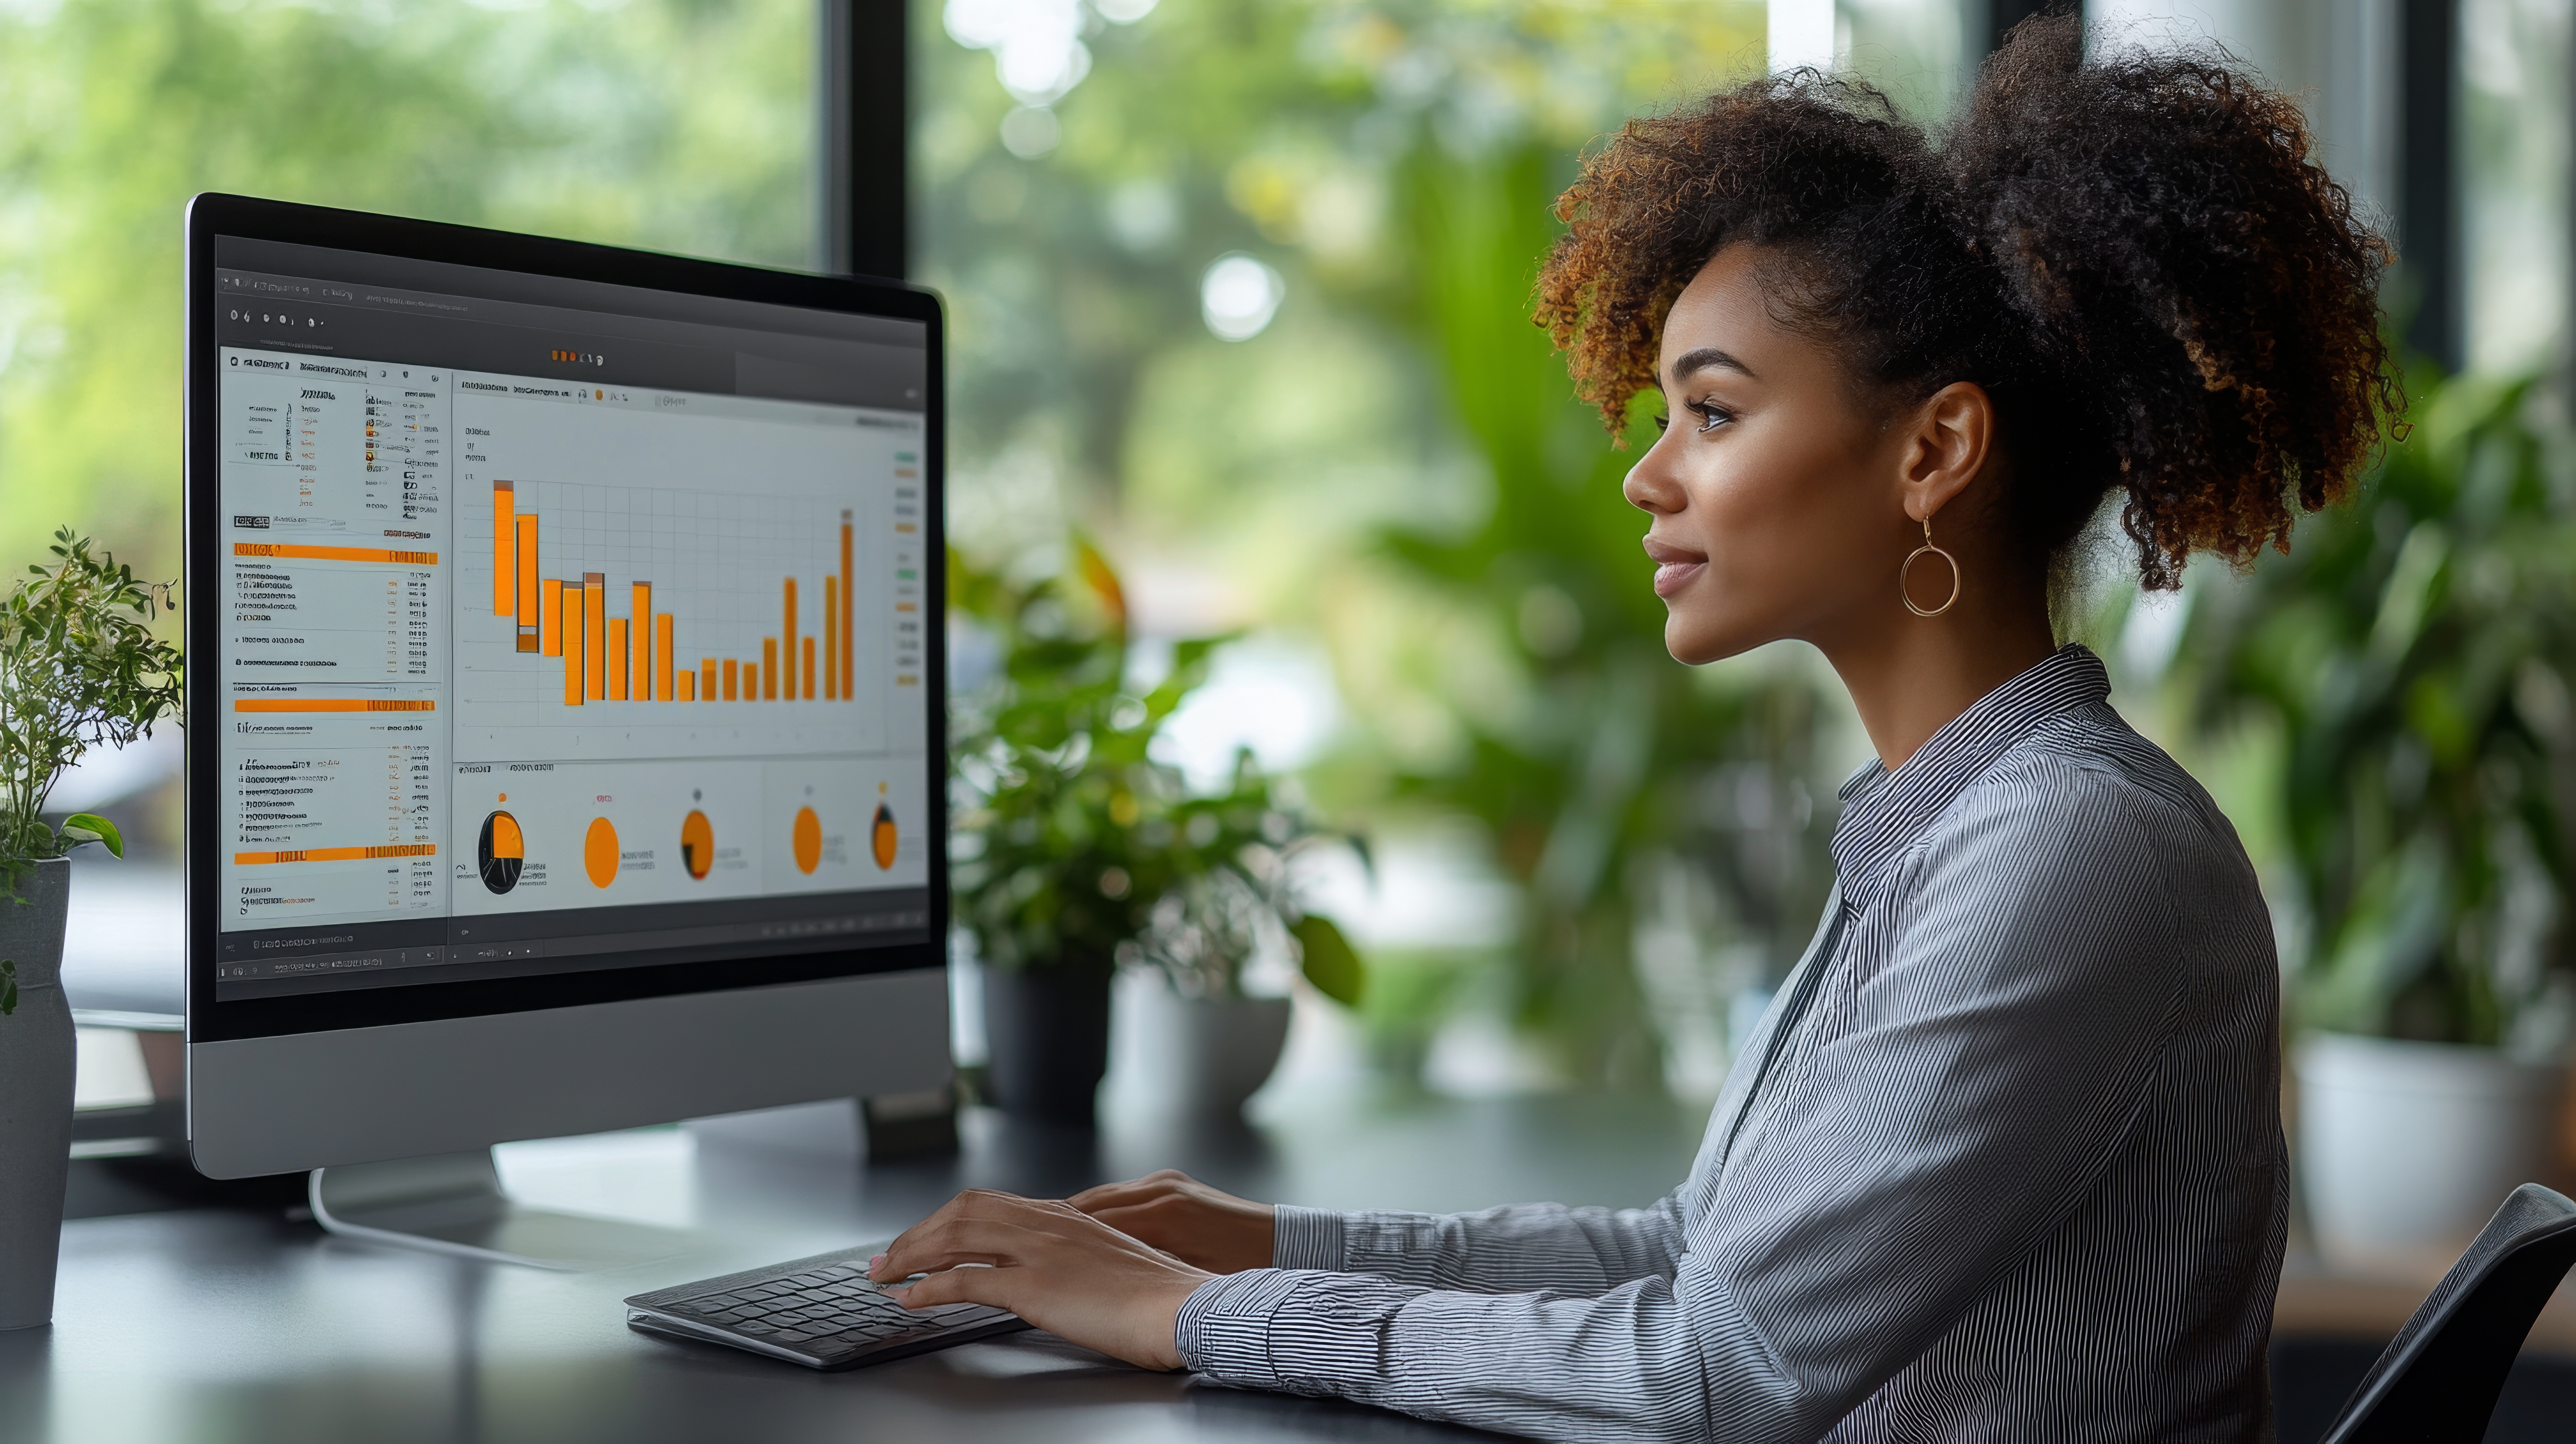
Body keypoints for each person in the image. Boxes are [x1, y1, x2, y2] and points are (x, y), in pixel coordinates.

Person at [870, 17, 2395, 1441]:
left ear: (1933, 449)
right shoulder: (1961, 822)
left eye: (1713, 412)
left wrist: (1196, 1315)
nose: (1645, 477)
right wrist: (1262, 1237)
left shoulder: (2071, 848)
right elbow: (1694, 1251)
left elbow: (1715, 1367)